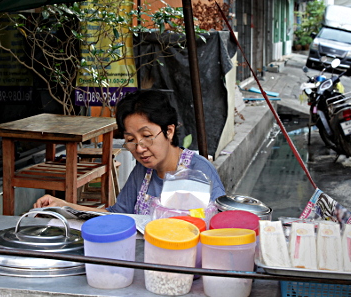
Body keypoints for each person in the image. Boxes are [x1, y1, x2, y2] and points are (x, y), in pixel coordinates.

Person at [34, 89, 225, 215]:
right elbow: (117, 216)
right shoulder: (143, 172)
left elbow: (221, 226)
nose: (140, 149)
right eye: (131, 141)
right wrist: (63, 206)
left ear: (169, 131)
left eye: (146, 136)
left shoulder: (200, 170)